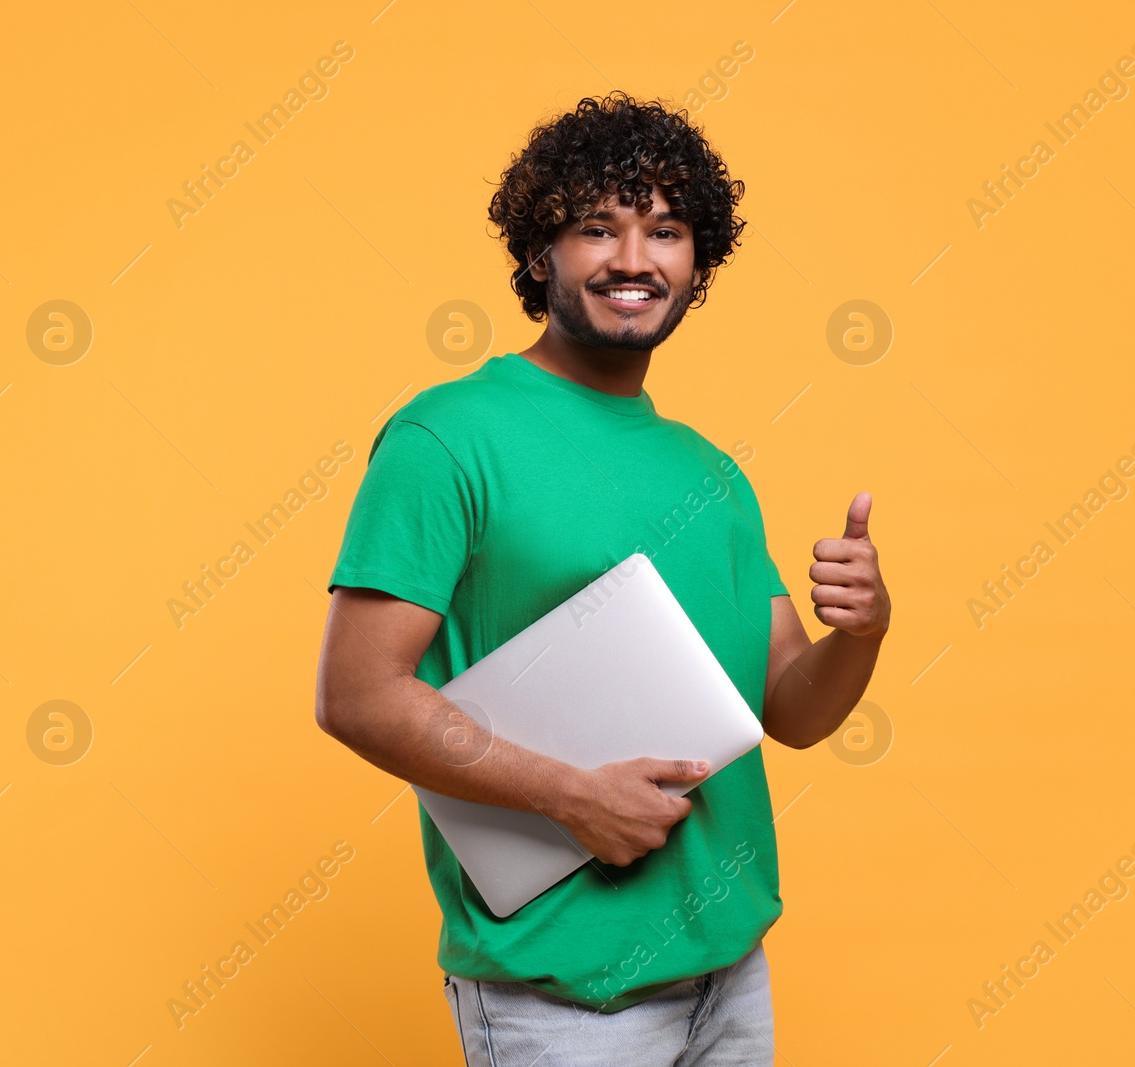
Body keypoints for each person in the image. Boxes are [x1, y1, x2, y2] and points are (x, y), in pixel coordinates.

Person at [314, 91, 890, 1066]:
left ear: (696, 263)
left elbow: (789, 708)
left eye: (664, 230)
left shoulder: (710, 471)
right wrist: (569, 794)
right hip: (560, 993)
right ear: (539, 255)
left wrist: (863, 630)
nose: (634, 259)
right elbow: (357, 694)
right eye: (596, 228)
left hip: (731, 969)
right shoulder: (447, 435)